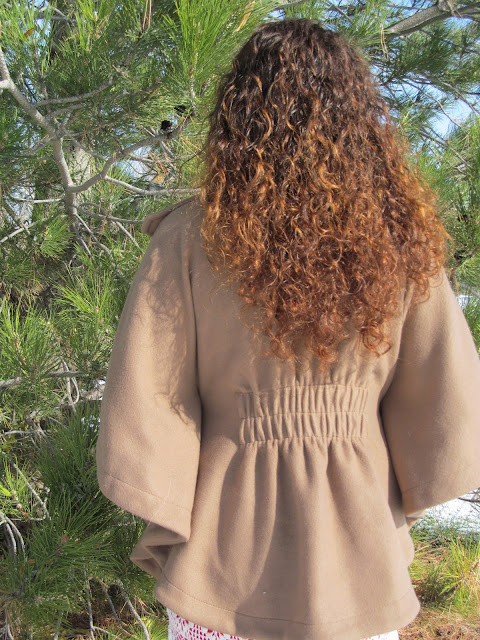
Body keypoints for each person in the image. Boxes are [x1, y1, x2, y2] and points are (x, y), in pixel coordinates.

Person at [95, 17, 480, 640]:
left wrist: (167, 505)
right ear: (359, 120)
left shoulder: (187, 239)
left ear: (237, 122)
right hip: (360, 543)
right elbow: (445, 400)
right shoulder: (402, 244)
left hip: (223, 552)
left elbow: (150, 399)